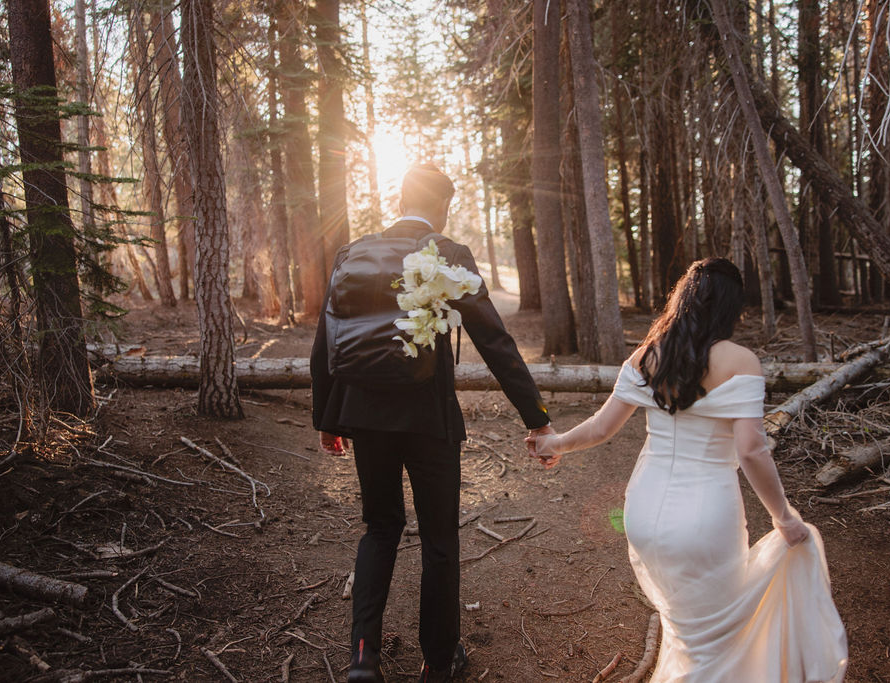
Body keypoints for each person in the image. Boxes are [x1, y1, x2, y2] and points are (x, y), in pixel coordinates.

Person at [527, 258, 847, 682]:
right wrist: (783, 518)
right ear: (731, 308)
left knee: (687, 629)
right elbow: (751, 451)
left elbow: (603, 427)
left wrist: (556, 443)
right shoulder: (741, 361)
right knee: (714, 639)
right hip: (705, 515)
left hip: (643, 511)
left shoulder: (648, 354)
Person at [311, 163, 552, 683]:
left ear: (400, 198)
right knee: (439, 539)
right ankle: (439, 663)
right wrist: (537, 418)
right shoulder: (447, 254)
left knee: (380, 527)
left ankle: (362, 659)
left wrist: (327, 419)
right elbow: (495, 342)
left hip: (364, 415)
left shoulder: (353, 253)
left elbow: (325, 339)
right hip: (429, 419)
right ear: (442, 207)